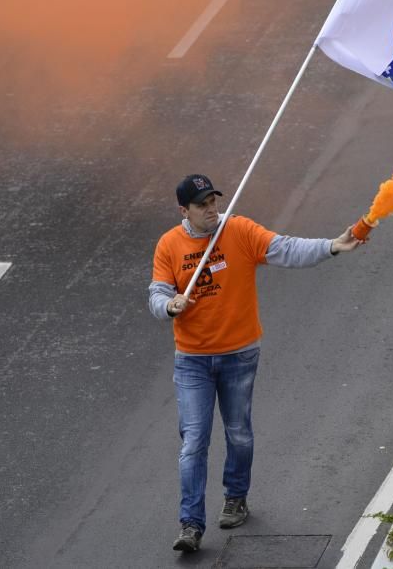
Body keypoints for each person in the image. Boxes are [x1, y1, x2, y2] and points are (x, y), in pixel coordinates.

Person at [148, 173, 364, 552]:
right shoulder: (169, 245)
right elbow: (157, 295)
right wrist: (169, 305)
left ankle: (236, 496)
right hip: (192, 362)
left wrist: (332, 246)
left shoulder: (240, 231)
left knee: (239, 432)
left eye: (213, 200)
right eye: (202, 205)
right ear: (184, 210)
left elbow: (286, 249)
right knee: (194, 442)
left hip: (239, 355)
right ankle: (190, 525)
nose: (211, 208)